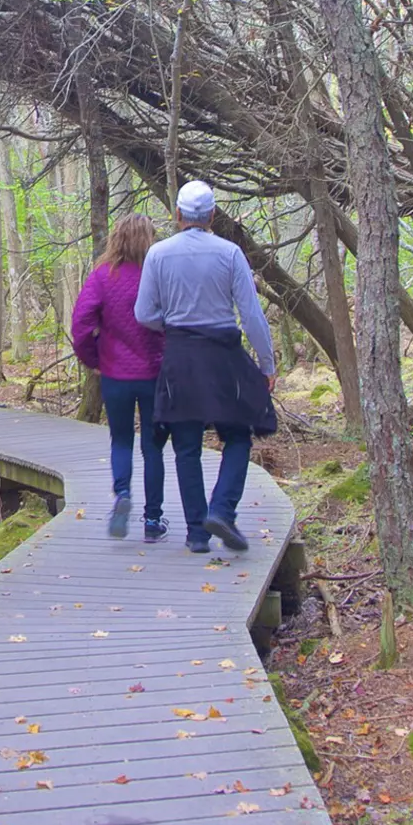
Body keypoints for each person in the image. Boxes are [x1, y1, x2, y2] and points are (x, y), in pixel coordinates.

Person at [134, 180, 279, 553]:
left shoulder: (158, 254)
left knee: (186, 446)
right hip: (224, 357)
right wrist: (267, 364)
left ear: (177, 215)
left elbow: (144, 313)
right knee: (238, 436)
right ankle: (222, 509)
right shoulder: (230, 253)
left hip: (180, 356)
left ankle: (198, 533)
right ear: (213, 215)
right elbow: (251, 314)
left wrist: (173, 324)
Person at [70, 214, 167, 542]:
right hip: (155, 373)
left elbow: (81, 323)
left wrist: (93, 359)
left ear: (117, 239)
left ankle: (122, 495)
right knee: (153, 446)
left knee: (121, 439)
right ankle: (153, 521)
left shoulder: (102, 276)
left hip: (115, 374)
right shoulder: (160, 275)